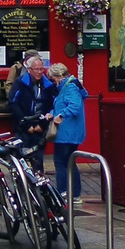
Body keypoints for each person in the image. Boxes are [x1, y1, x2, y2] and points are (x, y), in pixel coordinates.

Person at [8, 53, 57, 173]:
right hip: (23, 126)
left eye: (42, 69)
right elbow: (13, 104)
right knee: (21, 161)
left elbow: (52, 106)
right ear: (29, 70)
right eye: (37, 69)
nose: (40, 72)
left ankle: (39, 188)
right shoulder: (20, 83)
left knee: (38, 161)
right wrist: (26, 125)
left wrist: (43, 125)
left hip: (40, 127)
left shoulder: (48, 85)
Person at [49, 62, 87, 203]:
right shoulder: (71, 86)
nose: (54, 82)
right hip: (71, 133)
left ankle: (63, 193)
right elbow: (63, 105)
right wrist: (51, 113)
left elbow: (74, 107)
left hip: (66, 133)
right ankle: (74, 194)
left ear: (59, 76)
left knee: (61, 163)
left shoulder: (69, 87)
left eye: (53, 78)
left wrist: (60, 115)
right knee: (70, 163)